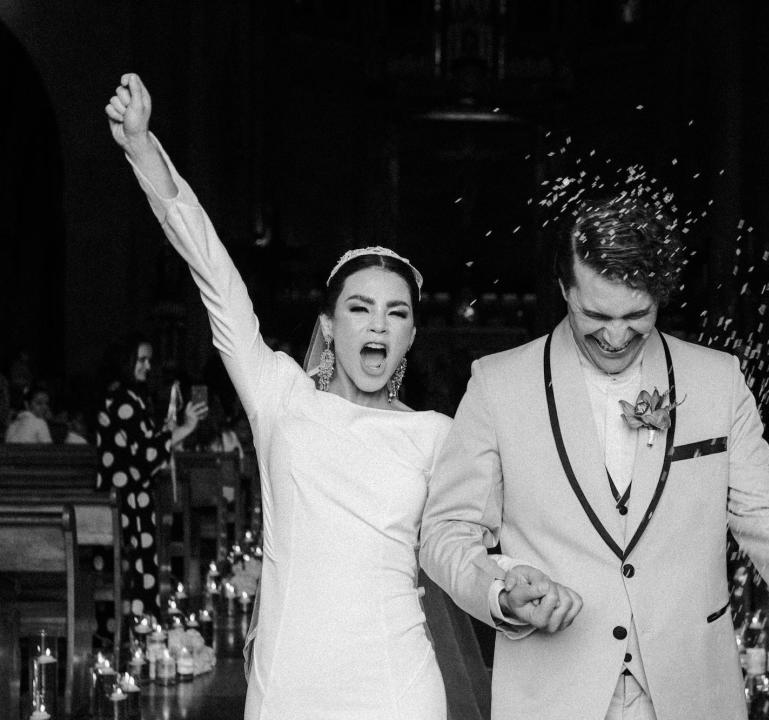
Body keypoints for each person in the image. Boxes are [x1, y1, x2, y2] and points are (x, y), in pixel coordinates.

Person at [106, 73, 488, 720]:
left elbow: (467, 555)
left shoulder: (436, 433)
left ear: (412, 334)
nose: (376, 324)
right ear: (330, 326)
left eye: (395, 314)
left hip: (398, 689)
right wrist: (143, 149)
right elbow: (214, 274)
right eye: (360, 308)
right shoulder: (280, 397)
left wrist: (511, 587)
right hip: (289, 686)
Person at [420, 195, 769, 720]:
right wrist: (500, 592)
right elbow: (447, 532)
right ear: (565, 290)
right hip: (553, 692)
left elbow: (764, 512)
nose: (616, 336)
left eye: (637, 315)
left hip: (692, 690)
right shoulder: (496, 384)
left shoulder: (717, 379)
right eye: (595, 314)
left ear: (660, 296)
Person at [96, 334, 207, 619]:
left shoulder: (129, 396)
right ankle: (138, 635)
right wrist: (185, 427)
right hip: (128, 503)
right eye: (141, 359)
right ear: (126, 362)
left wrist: (173, 429)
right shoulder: (123, 399)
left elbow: (143, 446)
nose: (147, 365)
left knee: (138, 573)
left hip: (132, 498)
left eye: (149, 359)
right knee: (135, 574)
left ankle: (138, 633)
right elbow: (146, 454)